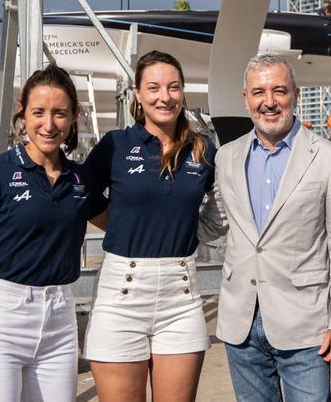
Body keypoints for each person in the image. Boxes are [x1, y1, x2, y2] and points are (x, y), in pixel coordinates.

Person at [0, 64, 108, 401]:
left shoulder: (81, 180)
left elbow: (125, 226)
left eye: (60, 114)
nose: (49, 124)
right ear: (23, 113)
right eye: (39, 112)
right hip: (3, 321)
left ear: (74, 116)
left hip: (60, 321)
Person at [211, 53, 331, 401]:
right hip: (240, 323)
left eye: (279, 91)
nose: (269, 102)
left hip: (305, 325)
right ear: (245, 98)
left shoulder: (329, 159)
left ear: (295, 93)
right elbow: (214, 221)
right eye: (259, 92)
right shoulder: (227, 157)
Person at [80, 50, 224, 402]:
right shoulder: (115, 144)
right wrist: (118, 225)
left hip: (182, 296)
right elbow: (82, 193)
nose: (165, 97)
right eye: (154, 87)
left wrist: (196, 231)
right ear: (139, 94)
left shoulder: (202, 149)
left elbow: (225, 204)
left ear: (183, 92)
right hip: (121, 295)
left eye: (174, 87)